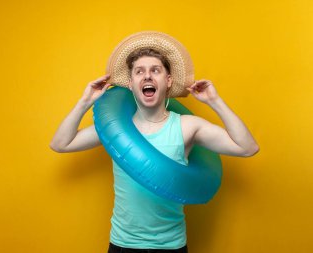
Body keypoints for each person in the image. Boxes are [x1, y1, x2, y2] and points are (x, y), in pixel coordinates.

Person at [50, 31, 259, 253]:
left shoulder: (187, 126)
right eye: (139, 72)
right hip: (123, 245)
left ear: (168, 81)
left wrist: (215, 102)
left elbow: (247, 147)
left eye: (155, 70)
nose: (147, 76)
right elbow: (61, 144)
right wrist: (85, 102)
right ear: (131, 84)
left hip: (170, 246)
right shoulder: (116, 131)